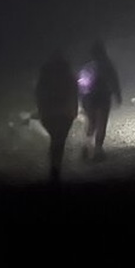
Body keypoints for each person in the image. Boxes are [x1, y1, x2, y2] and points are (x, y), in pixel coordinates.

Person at [35, 51, 78, 181]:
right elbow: (74, 92)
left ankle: (54, 167)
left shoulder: (45, 74)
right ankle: (56, 167)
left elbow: (39, 93)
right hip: (65, 112)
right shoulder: (68, 74)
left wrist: (41, 110)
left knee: (55, 138)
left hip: (49, 112)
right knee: (60, 139)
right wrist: (74, 110)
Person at [77, 41, 122, 161]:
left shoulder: (87, 67)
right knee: (101, 124)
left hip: (89, 99)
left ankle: (86, 148)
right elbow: (114, 81)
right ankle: (97, 151)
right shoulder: (108, 65)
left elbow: (81, 85)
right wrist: (118, 95)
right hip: (103, 97)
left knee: (91, 123)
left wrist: (82, 100)